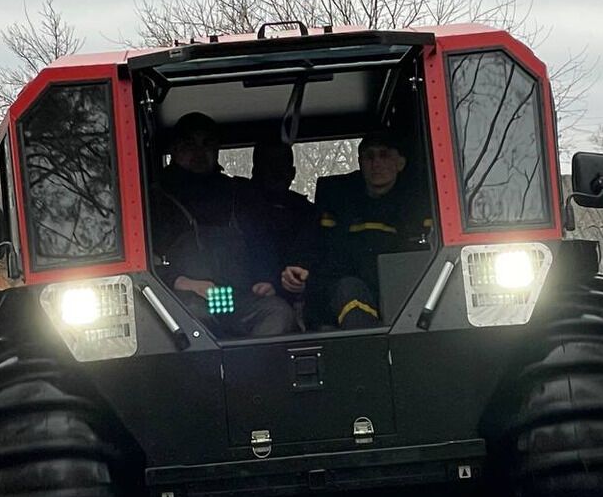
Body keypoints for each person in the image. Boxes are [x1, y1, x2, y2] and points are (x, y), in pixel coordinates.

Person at [151, 112, 296, 338]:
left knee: (278, 312)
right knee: (192, 320)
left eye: (207, 144)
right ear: (174, 149)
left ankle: (253, 372)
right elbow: (147, 262)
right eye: (190, 144)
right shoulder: (154, 199)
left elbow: (262, 243)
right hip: (186, 300)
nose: (199, 152)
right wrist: (185, 283)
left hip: (236, 299)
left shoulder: (238, 193)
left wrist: (265, 279)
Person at [309, 132, 433, 328]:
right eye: (369, 156)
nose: (376, 163)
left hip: (407, 295)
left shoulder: (423, 206)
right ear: (360, 163)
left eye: (384, 155)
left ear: (400, 163)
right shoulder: (341, 205)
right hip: (350, 293)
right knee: (349, 288)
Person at [244, 141, 317, 307]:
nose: (275, 173)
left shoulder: (308, 213)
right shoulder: (236, 209)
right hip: (246, 300)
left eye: (281, 167)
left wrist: (303, 280)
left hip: (302, 300)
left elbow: (315, 259)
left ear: (292, 173)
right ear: (255, 172)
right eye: (268, 167)